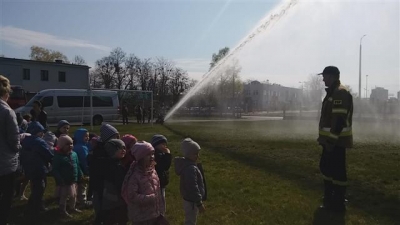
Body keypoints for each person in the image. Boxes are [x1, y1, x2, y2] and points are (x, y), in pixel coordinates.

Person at [317, 66, 353, 213]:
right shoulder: (333, 92)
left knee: (337, 172)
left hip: (336, 142)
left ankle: (337, 202)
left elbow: (338, 120)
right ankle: (330, 198)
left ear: (331, 76)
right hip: (330, 142)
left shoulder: (340, 93)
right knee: (326, 169)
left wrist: (331, 141)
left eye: (324, 76)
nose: (323, 79)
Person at [122, 141, 165, 225]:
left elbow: (157, 189)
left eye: (153, 154)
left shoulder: (153, 171)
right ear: (140, 157)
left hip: (154, 213)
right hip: (141, 217)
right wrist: (150, 198)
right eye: (148, 154)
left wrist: (160, 207)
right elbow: (132, 196)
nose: (152, 157)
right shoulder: (135, 175)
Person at [88, 124, 120, 224]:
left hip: (108, 183)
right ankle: (99, 218)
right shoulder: (100, 152)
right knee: (100, 202)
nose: (117, 139)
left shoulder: (112, 149)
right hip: (100, 182)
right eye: (115, 137)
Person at [0, 75, 21, 225]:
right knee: (6, 196)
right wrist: (19, 145)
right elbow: (14, 140)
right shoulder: (7, 112)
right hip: (4, 163)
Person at [20, 121, 54, 216]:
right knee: (39, 188)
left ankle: (38, 206)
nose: (43, 134)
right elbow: (47, 154)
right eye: (41, 131)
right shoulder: (39, 141)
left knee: (36, 187)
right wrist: (53, 160)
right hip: (39, 168)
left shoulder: (25, 141)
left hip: (29, 168)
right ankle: (32, 209)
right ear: (36, 132)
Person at [96, 139, 129, 225]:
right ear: (112, 150)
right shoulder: (111, 166)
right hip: (114, 197)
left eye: (124, 148)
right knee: (113, 217)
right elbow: (119, 182)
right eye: (120, 148)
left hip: (115, 197)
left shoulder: (118, 163)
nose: (123, 150)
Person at [174, 138, 206, 225]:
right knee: (191, 221)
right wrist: (199, 203)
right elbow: (192, 187)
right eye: (195, 154)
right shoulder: (190, 168)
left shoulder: (188, 165)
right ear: (188, 154)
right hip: (192, 200)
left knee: (190, 219)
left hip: (189, 199)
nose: (198, 156)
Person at [52, 135, 83, 218]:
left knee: (74, 195)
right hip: (64, 181)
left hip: (73, 179)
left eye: (71, 144)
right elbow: (55, 169)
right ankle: (62, 210)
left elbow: (77, 165)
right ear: (61, 146)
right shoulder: (58, 157)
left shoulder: (74, 154)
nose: (70, 146)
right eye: (67, 144)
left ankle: (72, 207)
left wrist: (80, 174)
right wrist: (59, 179)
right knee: (64, 195)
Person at [151, 134, 172, 210]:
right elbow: (165, 166)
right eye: (162, 144)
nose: (164, 146)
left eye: (165, 144)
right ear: (156, 145)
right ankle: (160, 214)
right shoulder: (157, 155)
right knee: (160, 200)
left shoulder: (159, 153)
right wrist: (168, 154)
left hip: (160, 181)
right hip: (159, 181)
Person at [73, 128, 90, 205]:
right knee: (83, 186)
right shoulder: (82, 148)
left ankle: (76, 200)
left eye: (88, 136)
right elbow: (84, 159)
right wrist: (87, 169)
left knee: (77, 186)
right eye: (85, 136)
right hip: (82, 169)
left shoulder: (76, 146)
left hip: (76, 169)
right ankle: (83, 201)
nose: (87, 138)